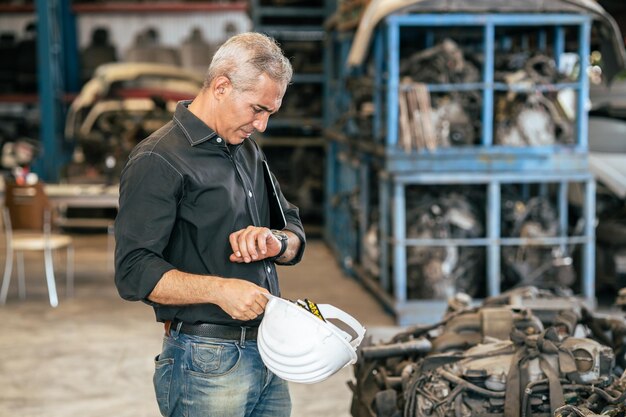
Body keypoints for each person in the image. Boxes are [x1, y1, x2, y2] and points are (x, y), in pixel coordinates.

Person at [114, 32, 306, 417]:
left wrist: (275, 242)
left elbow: (294, 231)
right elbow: (133, 272)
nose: (262, 124)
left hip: (268, 350)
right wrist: (220, 290)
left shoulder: (245, 149)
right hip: (206, 363)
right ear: (221, 86)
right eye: (257, 109)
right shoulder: (158, 159)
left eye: (269, 112)